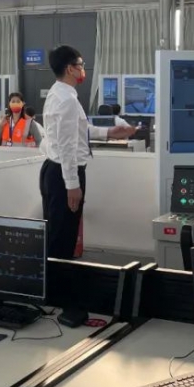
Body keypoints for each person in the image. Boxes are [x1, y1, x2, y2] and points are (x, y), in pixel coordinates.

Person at [40, 46, 135, 259]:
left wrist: (109, 132)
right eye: (81, 65)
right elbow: (66, 146)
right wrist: (72, 185)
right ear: (69, 69)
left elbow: (79, 130)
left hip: (54, 170)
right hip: (64, 174)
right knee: (63, 239)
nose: (83, 69)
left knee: (56, 235)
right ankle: (60, 279)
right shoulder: (67, 100)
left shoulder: (58, 93)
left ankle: (56, 276)